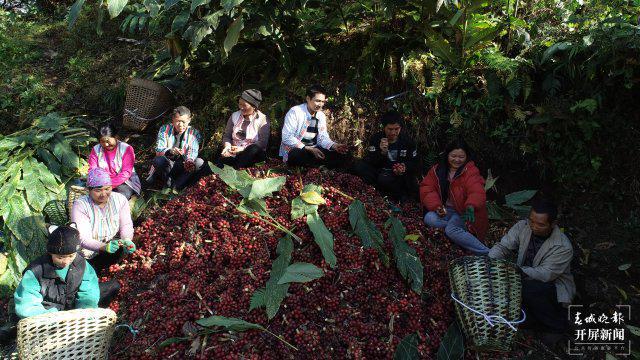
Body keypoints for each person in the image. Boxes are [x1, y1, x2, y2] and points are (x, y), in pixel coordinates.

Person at [0, 225, 120, 342]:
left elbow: (88, 294)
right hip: (47, 314)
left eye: (71, 256)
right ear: (51, 253)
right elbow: (27, 306)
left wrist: (81, 315)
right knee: (14, 327)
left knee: (112, 287)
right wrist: (54, 318)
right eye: (60, 257)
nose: (66, 261)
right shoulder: (35, 272)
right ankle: (12, 327)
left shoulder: (82, 265)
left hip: (71, 308)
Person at [488, 198, 575, 335]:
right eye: (531, 221)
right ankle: (536, 321)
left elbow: (545, 274)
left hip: (551, 288)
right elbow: (503, 246)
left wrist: (515, 271)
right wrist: (490, 261)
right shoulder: (523, 227)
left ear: (553, 224)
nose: (533, 226)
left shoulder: (563, 247)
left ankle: (557, 326)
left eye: (540, 224)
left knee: (530, 289)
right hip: (524, 280)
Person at [420, 138, 490, 255]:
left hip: (463, 212)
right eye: (453, 156)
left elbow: (476, 190)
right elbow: (427, 188)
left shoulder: (470, 171)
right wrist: (437, 206)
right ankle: (458, 233)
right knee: (429, 218)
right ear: (447, 154)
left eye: (461, 157)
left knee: (451, 230)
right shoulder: (438, 170)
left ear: (467, 157)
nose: (457, 160)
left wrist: (471, 205)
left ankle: (487, 252)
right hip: (446, 211)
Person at [71, 168, 136, 273]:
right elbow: (83, 238)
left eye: (107, 189)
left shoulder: (120, 200)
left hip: (112, 244)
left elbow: (126, 224)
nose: (103, 194)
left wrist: (127, 239)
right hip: (88, 252)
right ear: (89, 190)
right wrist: (103, 247)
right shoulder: (81, 205)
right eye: (98, 190)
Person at [353, 110, 418, 202]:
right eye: (390, 129)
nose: (393, 132)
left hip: (399, 175)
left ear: (400, 127)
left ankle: (402, 195)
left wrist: (404, 167)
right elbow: (371, 161)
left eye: (396, 129)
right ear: (384, 127)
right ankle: (374, 192)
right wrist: (382, 152)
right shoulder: (376, 139)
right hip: (381, 171)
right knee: (360, 166)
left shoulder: (407, 141)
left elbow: (414, 162)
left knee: (410, 181)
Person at [279, 84, 350, 168]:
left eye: (322, 101)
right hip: (299, 150)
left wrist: (334, 145)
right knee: (296, 155)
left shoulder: (321, 116)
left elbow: (322, 138)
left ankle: (315, 166)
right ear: (308, 99)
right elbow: (286, 137)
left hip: (315, 150)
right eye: (317, 101)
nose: (320, 104)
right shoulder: (295, 112)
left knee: (341, 154)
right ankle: (313, 166)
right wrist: (308, 149)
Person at [146, 106, 207, 190]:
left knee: (199, 162)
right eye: (178, 121)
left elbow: (193, 149)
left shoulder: (194, 133)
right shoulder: (165, 129)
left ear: (189, 120)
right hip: (168, 164)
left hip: (184, 165)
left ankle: (176, 186)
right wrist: (170, 151)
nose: (181, 125)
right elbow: (159, 149)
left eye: (183, 122)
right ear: (173, 120)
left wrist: (189, 160)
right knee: (158, 160)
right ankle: (169, 184)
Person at [88, 123, 141, 200]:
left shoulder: (126, 149)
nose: (106, 144)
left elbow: (126, 173)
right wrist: (97, 183)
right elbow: (92, 170)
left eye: (108, 141)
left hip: (124, 182)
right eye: (102, 142)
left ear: (116, 137)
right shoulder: (96, 149)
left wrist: (109, 185)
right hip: (101, 183)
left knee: (121, 196)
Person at [219, 89, 270, 169]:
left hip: (253, 157)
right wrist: (227, 147)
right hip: (234, 154)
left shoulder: (262, 119)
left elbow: (263, 143)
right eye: (239, 104)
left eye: (244, 105)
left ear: (254, 106)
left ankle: (236, 169)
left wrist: (243, 149)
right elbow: (227, 136)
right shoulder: (234, 116)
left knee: (253, 149)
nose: (241, 108)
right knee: (215, 166)